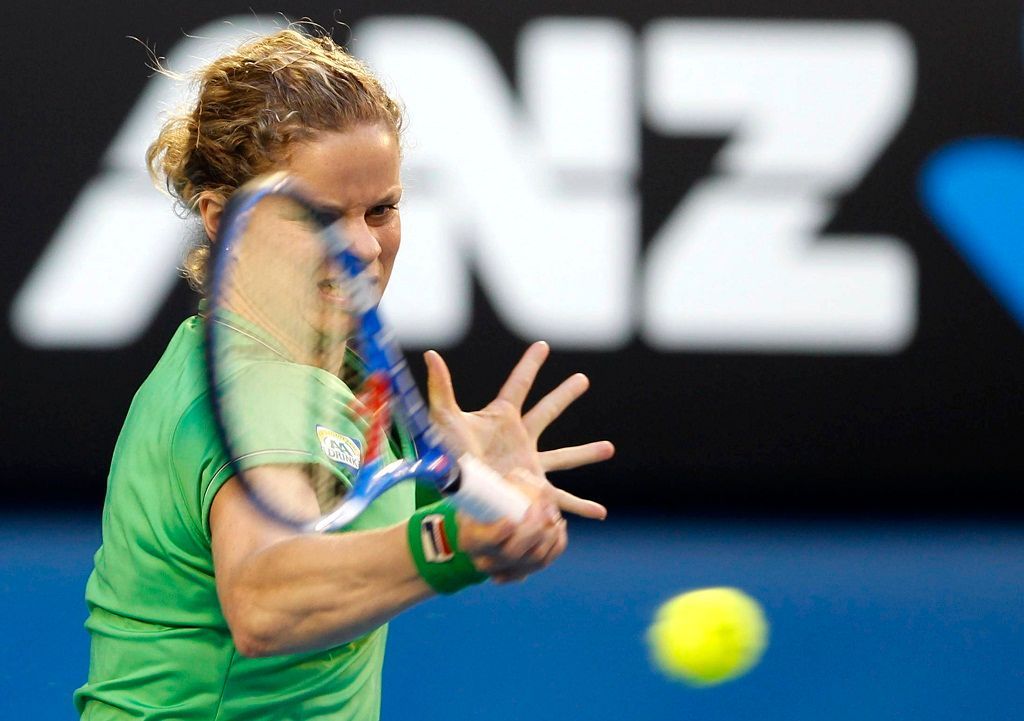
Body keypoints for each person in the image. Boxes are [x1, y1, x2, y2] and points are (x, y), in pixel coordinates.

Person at [74, 25, 614, 720]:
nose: (363, 244)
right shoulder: (263, 393)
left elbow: (321, 522)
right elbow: (266, 600)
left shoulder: (260, 360)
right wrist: (450, 540)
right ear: (221, 218)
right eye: (321, 216)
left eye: (382, 209)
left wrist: (449, 493)